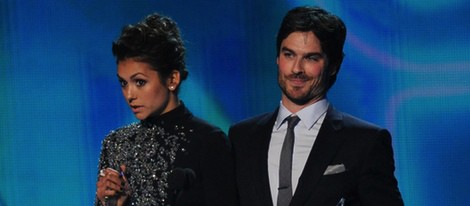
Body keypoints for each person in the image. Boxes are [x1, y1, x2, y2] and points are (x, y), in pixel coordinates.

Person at [229, 6, 404, 206]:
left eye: (311, 58)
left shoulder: (366, 142)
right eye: (289, 54)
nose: (296, 69)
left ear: (334, 65)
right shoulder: (242, 137)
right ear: (277, 58)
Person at [95, 13, 238, 206]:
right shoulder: (115, 144)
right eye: (123, 83)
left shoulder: (208, 141)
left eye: (139, 82)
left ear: (172, 79)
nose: (129, 94)